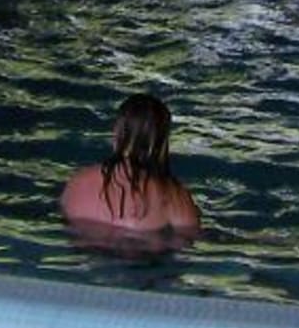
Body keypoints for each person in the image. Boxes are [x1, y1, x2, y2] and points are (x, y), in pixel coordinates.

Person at [60, 93, 201, 241]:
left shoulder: (77, 181)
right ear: (162, 142)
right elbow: (187, 240)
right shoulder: (174, 196)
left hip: (84, 250)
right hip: (138, 251)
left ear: (117, 132)